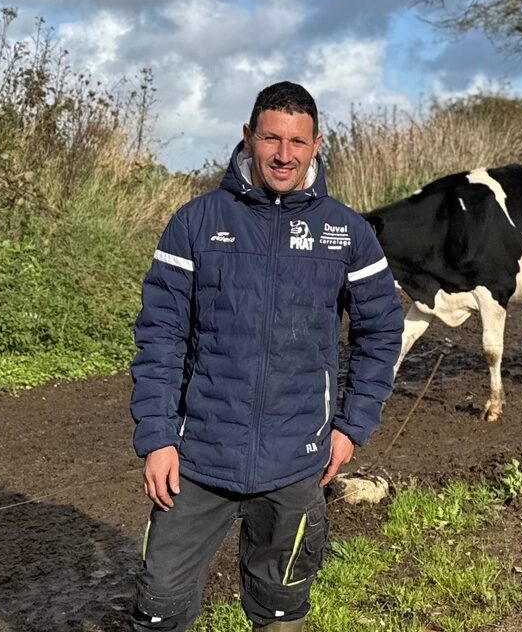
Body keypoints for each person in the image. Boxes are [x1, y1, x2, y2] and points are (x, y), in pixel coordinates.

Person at [128, 81, 403, 631]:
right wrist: (157, 437)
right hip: (196, 459)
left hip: (296, 461)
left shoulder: (346, 232)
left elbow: (380, 332)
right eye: (271, 138)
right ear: (248, 135)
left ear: (316, 144)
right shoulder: (196, 223)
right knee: (158, 607)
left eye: (298, 142)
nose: (283, 154)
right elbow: (160, 336)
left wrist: (351, 426)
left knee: (280, 608)